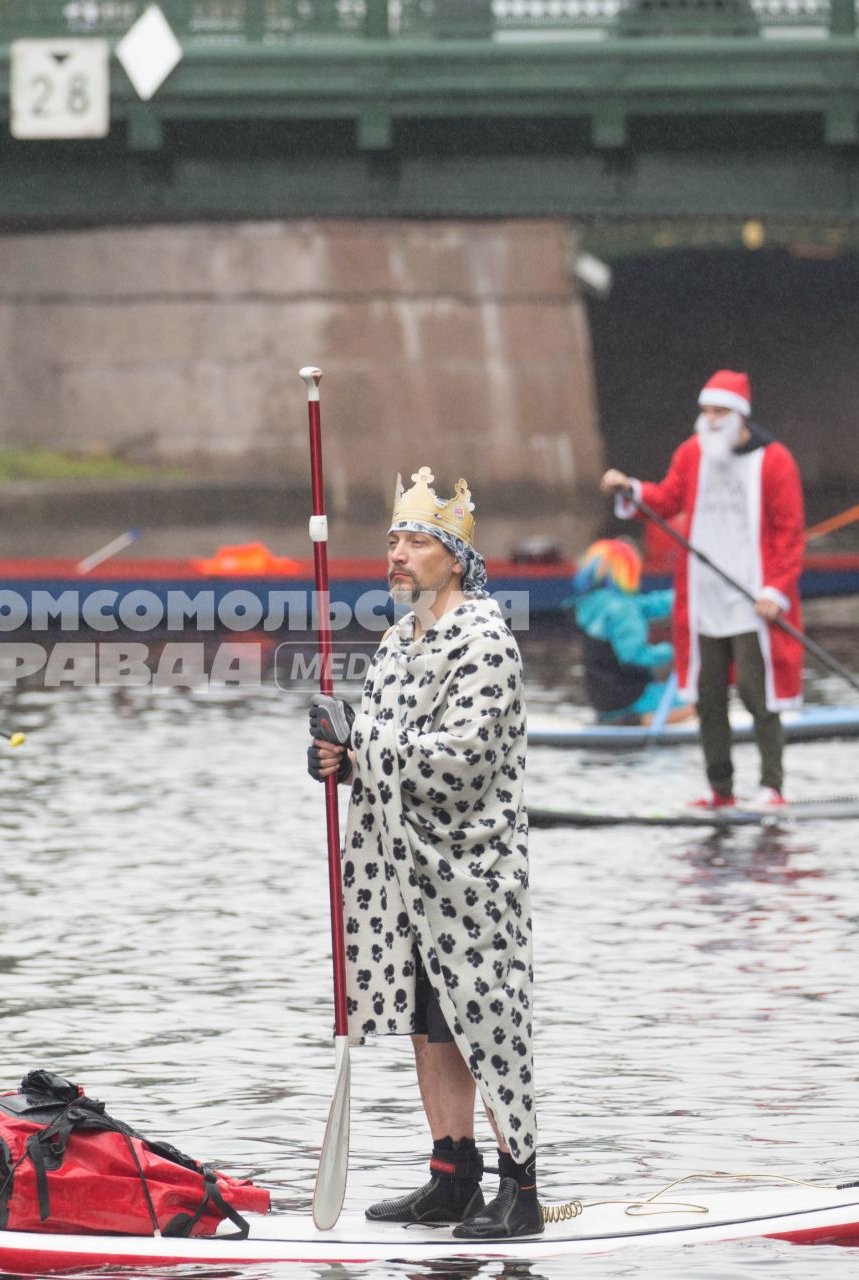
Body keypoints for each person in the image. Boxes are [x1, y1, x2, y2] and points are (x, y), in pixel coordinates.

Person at [307, 466, 540, 1239]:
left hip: (471, 872)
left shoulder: (486, 641)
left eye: (414, 541)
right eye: (393, 539)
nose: (397, 554)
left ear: (454, 555)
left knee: (483, 1021)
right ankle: (452, 1177)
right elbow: (372, 749)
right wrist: (332, 761)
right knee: (426, 1021)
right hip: (401, 871)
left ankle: (523, 1188)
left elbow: (459, 760)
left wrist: (359, 739)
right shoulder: (397, 638)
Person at [600, 370, 805, 807]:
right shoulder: (692, 454)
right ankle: (721, 789)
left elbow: (790, 533)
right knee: (707, 695)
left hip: (753, 600)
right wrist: (631, 489)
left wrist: (777, 590)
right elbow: (668, 498)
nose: (710, 419)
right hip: (704, 599)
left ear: (739, 415)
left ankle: (771, 786)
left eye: (720, 411)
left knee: (756, 690)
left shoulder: (775, 461)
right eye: (706, 411)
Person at [569, 538, 693, 727]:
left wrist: (687, 597)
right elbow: (634, 656)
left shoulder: (589, 604)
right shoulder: (622, 610)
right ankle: (639, 721)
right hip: (630, 696)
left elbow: (649, 605)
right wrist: (675, 651)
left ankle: (622, 719)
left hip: (602, 699)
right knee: (697, 701)